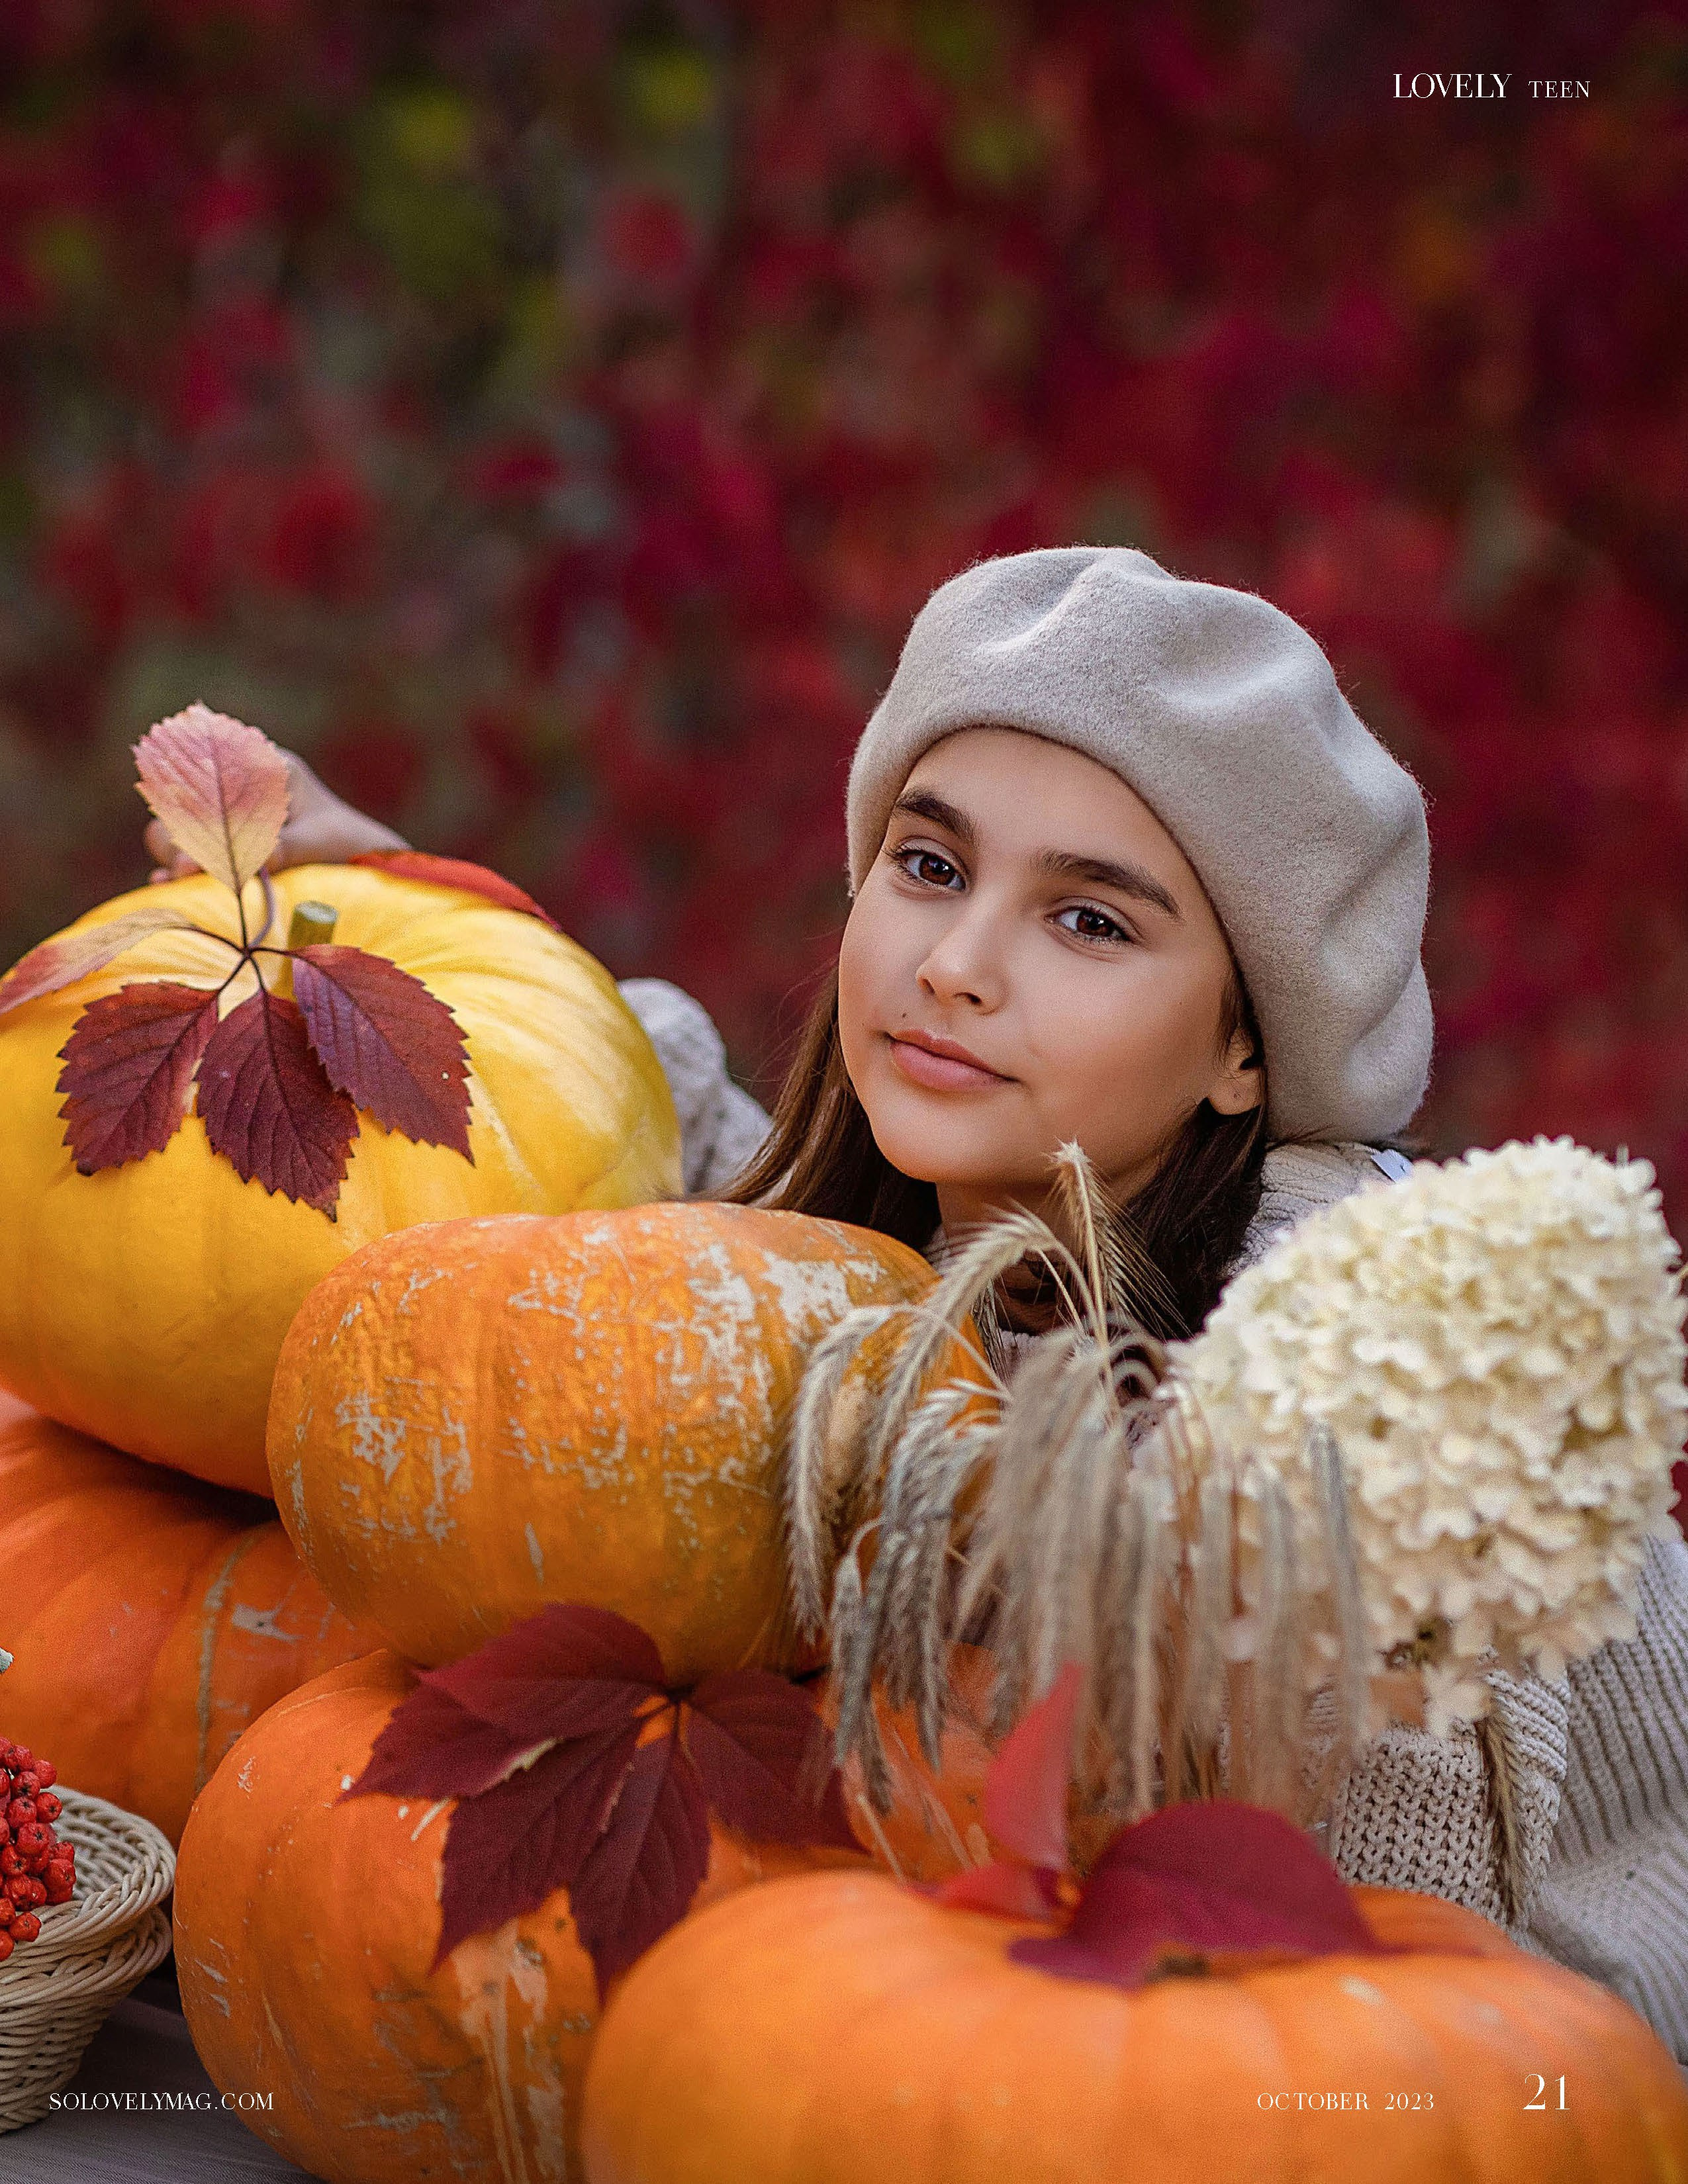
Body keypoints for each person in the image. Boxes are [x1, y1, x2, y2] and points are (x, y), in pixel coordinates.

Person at [146, 545, 1688, 2058]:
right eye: (931, 865)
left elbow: (1381, 1981)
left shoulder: (1329, 1363)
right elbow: (702, 1219)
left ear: (1247, 1051)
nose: (954, 963)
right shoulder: (932, 1240)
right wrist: (415, 923)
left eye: (1090, 920)